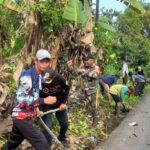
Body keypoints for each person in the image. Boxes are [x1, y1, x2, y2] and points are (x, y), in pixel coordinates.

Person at [1, 49, 57, 150]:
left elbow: (33, 94)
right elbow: (22, 98)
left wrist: (37, 108)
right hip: (21, 117)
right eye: (42, 61)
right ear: (36, 61)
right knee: (42, 143)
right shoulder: (27, 76)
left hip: (26, 116)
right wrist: (43, 101)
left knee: (12, 144)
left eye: (47, 61)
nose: (45, 64)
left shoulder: (40, 75)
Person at [67, 53, 101, 125]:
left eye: (86, 60)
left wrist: (83, 71)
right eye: (84, 60)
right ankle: (67, 118)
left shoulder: (96, 67)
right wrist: (70, 67)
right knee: (71, 99)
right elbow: (75, 74)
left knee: (94, 109)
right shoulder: (84, 67)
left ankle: (95, 125)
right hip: (84, 90)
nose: (85, 61)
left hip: (93, 91)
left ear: (91, 60)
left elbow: (95, 75)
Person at [39, 68, 69, 147]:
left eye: (48, 80)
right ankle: (47, 146)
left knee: (65, 124)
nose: (46, 82)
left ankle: (62, 138)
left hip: (59, 104)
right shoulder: (40, 82)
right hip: (47, 105)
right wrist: (39, 109)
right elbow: (38, 96)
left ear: (54, 76)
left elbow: (67, 89)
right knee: (47, 128)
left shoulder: (61, 78)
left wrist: (63, 103)